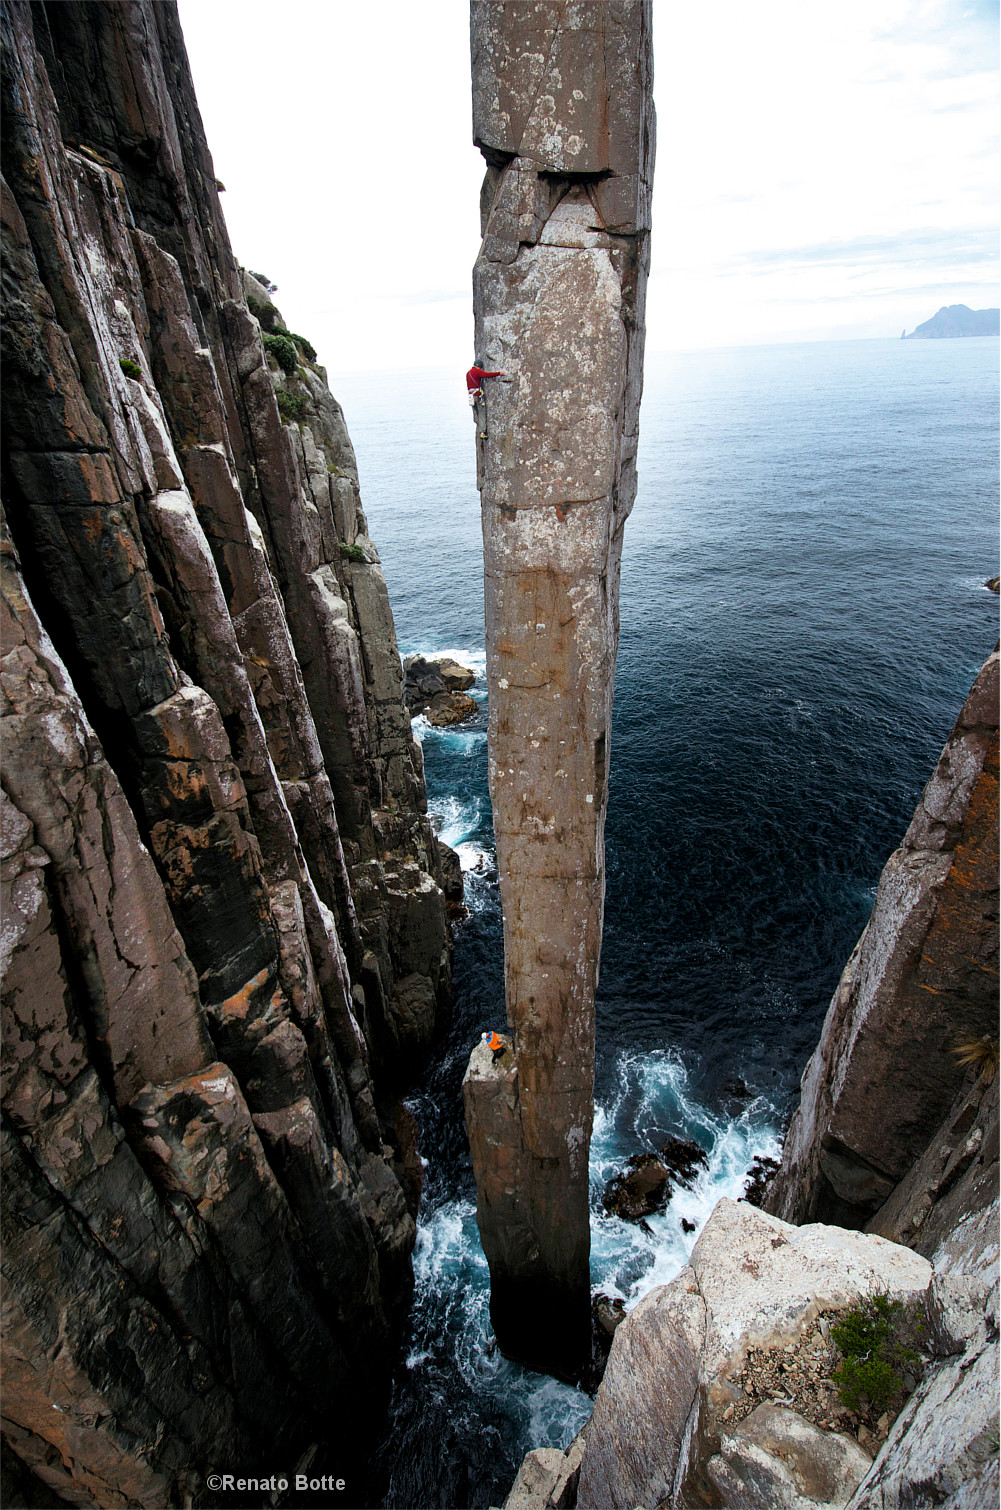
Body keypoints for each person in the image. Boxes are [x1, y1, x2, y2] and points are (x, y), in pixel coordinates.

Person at [466, 360, 506, 438]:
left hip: (471, 397)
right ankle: (482, 432)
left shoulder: (468, 373)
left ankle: (480, 429)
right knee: (482, 413)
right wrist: (499, 373)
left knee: (477, 413)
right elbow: (487, 375)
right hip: (477, 396)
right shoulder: (477, 371)